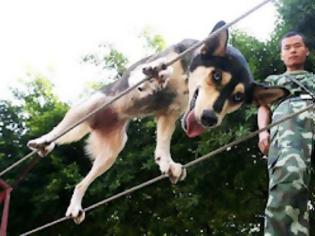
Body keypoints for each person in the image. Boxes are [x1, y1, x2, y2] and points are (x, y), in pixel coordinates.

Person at [257, 32, 315, 235]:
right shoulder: (274, 80)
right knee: (289, 178)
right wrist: (263, 133)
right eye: (287, 47)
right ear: (281, 55)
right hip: (288, 124)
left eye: (297, 46)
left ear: (306, 51)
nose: (293, 50)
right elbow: (263, 107)